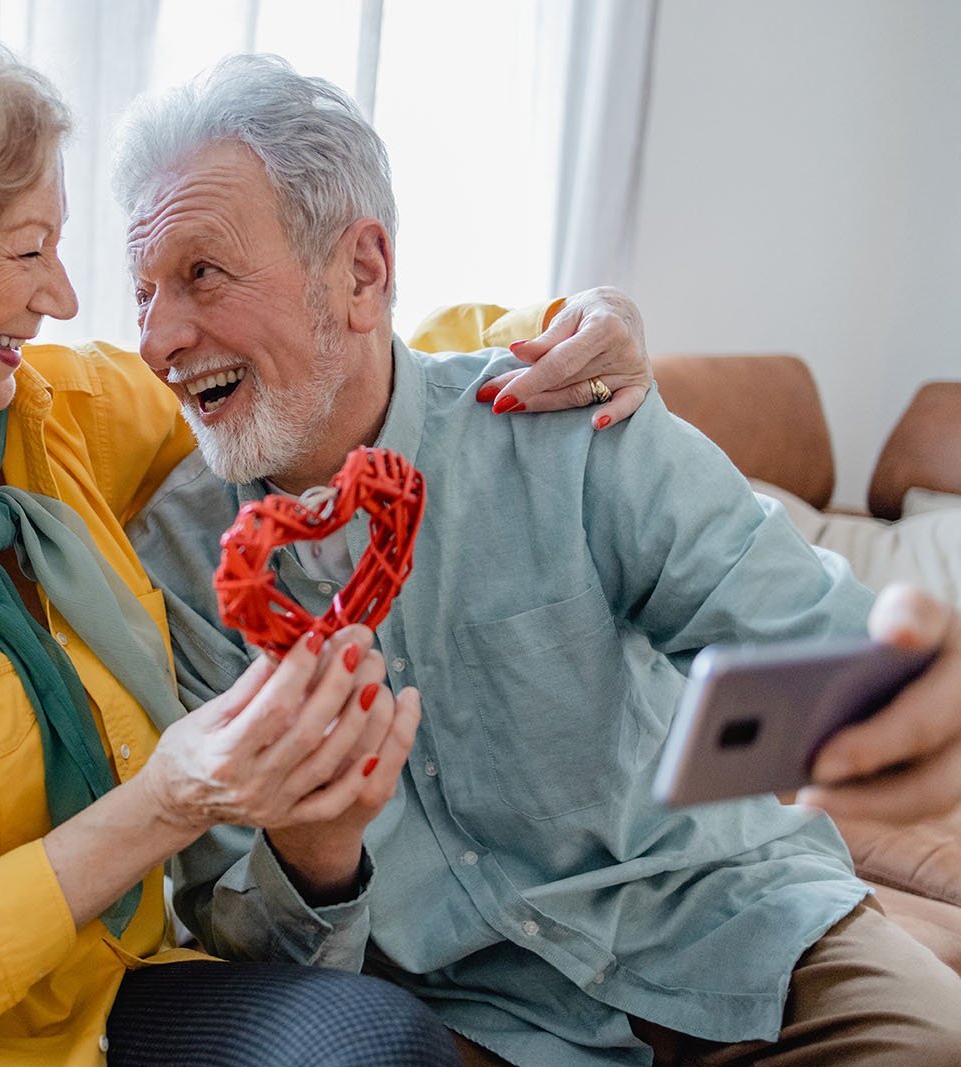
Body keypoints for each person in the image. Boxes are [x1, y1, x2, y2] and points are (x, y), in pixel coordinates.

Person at [0, 22, 645, 1067]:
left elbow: (312, 361)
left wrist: (570, 326)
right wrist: (165, 803)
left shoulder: (49, 415)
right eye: (30, 249)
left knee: (372, 1043)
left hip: (93, 1003)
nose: (62, 297)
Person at [117, 55, 961, 1067]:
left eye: (202, 274)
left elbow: (802, 627)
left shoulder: (567, 423)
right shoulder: (177, 561)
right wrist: (314, 854)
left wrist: (902, 685)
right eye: (143, 292)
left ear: (361, 273)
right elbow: (232, 934)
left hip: (732, 925)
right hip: (474, 1009)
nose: (157, 338)